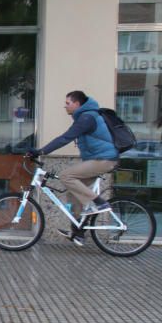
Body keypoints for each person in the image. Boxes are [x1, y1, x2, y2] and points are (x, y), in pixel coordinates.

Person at [27, 90, 118, 246]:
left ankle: (98, 202)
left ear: (77, 104)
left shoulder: (87, 118)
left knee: (66, 176)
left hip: (104, 159)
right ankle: (78, 232)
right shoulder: (85, 116)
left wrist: (42, 151)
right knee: (73, 193)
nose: (65, 106)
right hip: (96, 159)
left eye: (68, 103)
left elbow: (65, 138)